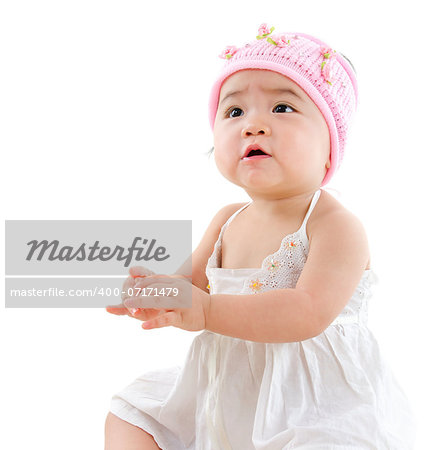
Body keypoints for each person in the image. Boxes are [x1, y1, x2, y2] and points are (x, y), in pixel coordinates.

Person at [104, 24, 416, 450]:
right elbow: (190, 289)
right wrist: (153, 292)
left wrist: (209, 310)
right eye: (234, 112)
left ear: (330, 148)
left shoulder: (334, 225)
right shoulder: (227, 221)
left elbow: (306, 313)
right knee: (130, 415)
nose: (253, 125)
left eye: (282, 108)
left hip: (312, 406)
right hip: (224, 396)